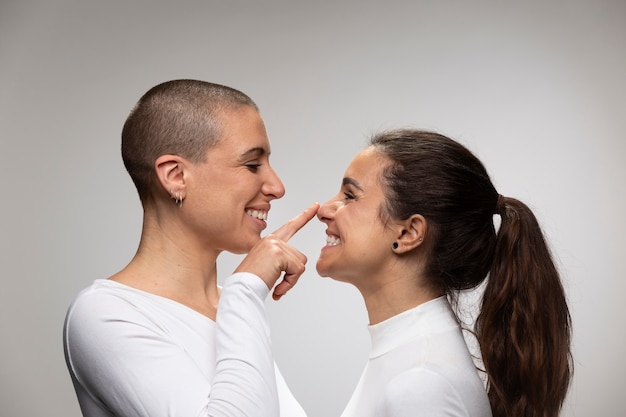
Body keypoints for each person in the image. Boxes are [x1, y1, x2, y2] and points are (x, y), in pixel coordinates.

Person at [63, 79, 317, 417]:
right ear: (176, 176)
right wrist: (245, 290)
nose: (276, 187)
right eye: (253, 164)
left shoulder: (230, 307)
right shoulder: (104, 313)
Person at [316, 129, 573, 417]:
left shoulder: (421, 383)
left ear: (409, 232)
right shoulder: (411, 365)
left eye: (350, 196)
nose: (324, 209)